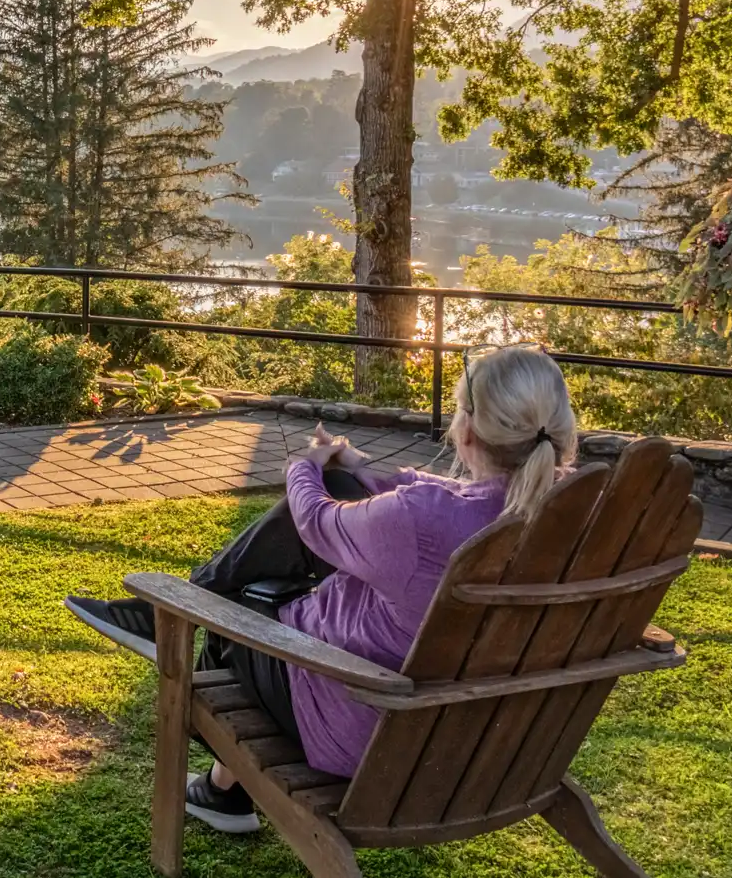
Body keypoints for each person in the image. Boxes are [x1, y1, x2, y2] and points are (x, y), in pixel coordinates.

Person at [66, 344, 579, 833]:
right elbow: (445, 498)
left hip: (371, 724)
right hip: (486, 737)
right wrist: (356, 470)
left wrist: (304, 467)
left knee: (237, 614)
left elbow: (314, 520)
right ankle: (224, 788)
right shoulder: (573, 515)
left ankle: (172, 620)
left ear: (466, 429)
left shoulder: (420, 523)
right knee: (329, 503)